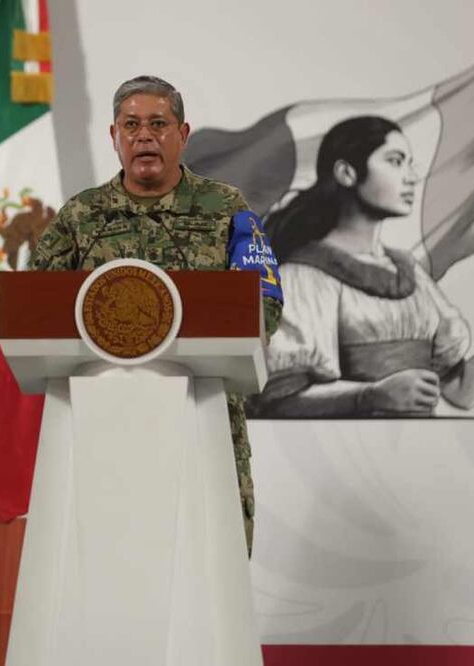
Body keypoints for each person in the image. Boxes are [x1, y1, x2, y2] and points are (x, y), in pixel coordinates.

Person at [30, 75, 282, 554]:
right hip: (103, 423)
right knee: (106, 556)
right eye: (131, 125)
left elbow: (264, 305)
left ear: (183, 134)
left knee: (211, 557)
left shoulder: (225, 207)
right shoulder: (81, 216)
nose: (143, 136)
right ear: (113, 137)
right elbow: (35, 312)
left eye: (158, 123)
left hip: (202, 416)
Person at [249, 116, 474, 418]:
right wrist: (371, 395)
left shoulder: (410, 272)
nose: (410, 176)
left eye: (409, 163)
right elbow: (280, 400)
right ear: (346, 172)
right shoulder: (302, 277)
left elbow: (461, 392)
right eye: (395, 161)